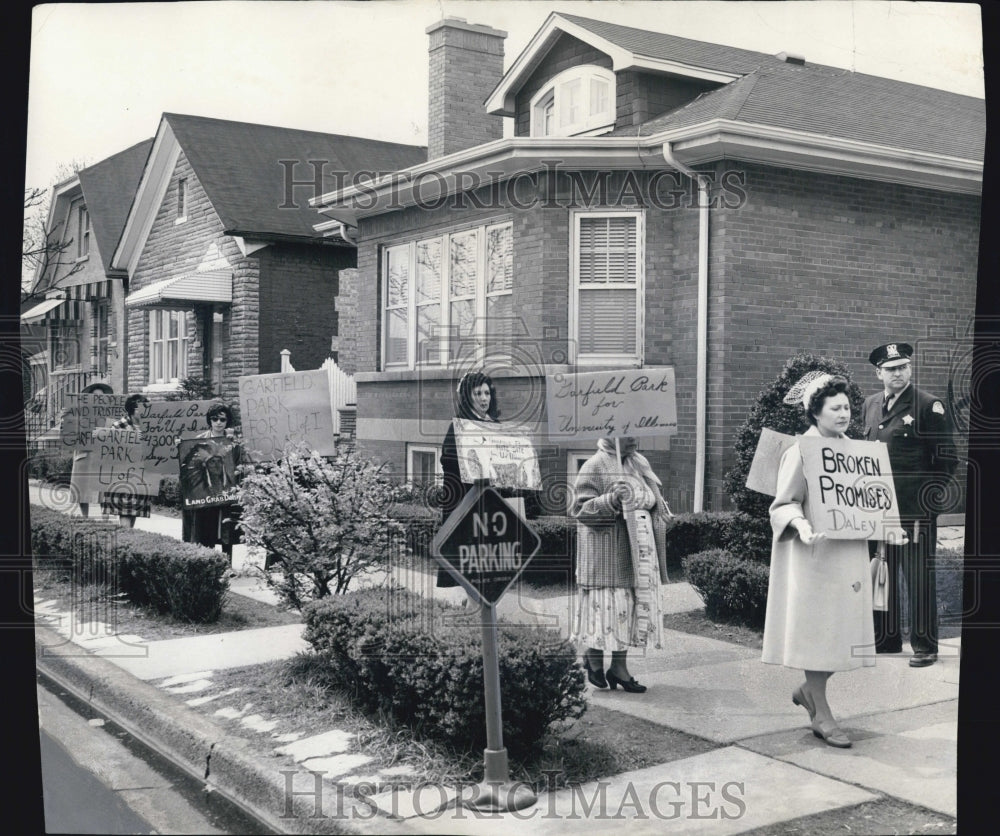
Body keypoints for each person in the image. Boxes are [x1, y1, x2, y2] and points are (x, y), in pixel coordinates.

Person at [763, 372, 904, 748]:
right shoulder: (801, 451)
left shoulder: (858, 450)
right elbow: (783, 504)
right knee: (819, 634)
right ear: (816, 412)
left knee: (839, 633)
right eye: (835, 408)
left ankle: (809, 692)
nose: (844, 414)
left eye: (846, 407)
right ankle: (822, 715)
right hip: (816, 556)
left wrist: (890, 528)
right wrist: (801, 524)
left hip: (850, 555)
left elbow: (873, 498)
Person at [862, 342, 957, 667]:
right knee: (882, 572)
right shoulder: (870, 405)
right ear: (879, 373)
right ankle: (886, 639)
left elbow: (947, 461)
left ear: (910, 369)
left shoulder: (929, 406)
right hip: (878, 510)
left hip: (915, 511)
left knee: (917, 578)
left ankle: (924, 646)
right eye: (891, 369)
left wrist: (928, 503)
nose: (898, 373)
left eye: (903, 366)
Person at [571, 436, 671, 694]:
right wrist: (611, 499)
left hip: (639, 549)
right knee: (610, 608)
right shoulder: (594, 465)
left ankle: (618, 668)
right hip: (609, 553)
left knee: (630, 608)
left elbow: (651, 500)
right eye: (629, 431)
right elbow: (580, 509)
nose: (635, 437)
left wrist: (659, 509)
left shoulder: (639, 464)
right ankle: (594, 659)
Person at [436, 371, 501, 588]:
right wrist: (471, 464)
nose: (484, 398)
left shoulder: (495, 424)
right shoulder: (459, 426)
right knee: (469, 555)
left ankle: (482, 605)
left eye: (486, 393)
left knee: (490, 557)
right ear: (467, 396)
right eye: (477, 393)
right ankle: (473, 603)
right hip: (467, 499)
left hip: (490, 502)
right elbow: (447, 459)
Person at [180, 401, 242, 562]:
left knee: (226, 527)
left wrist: (234, 444)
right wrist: (179, 447)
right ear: (209, 421)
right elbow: (188, 463)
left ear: (227, 421)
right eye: (215, 419)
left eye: (223, 419)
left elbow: (239, 462)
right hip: (206, 491)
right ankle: (209, 561)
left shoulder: (233, 440)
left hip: (226, 491)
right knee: (206, 526)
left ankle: (227, 563)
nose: (219, 423)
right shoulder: (199, 440)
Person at [99, 394, 152, 528]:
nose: (146, 411)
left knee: (133, 512)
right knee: (125, 512)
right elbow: (109, 449)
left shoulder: (150, 426)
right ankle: (125, 539)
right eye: (143, 408)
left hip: (141, 475)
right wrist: (133, 438)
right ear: (133, 410)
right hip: (122, 475)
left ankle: (128, 539)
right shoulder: (118, 426)